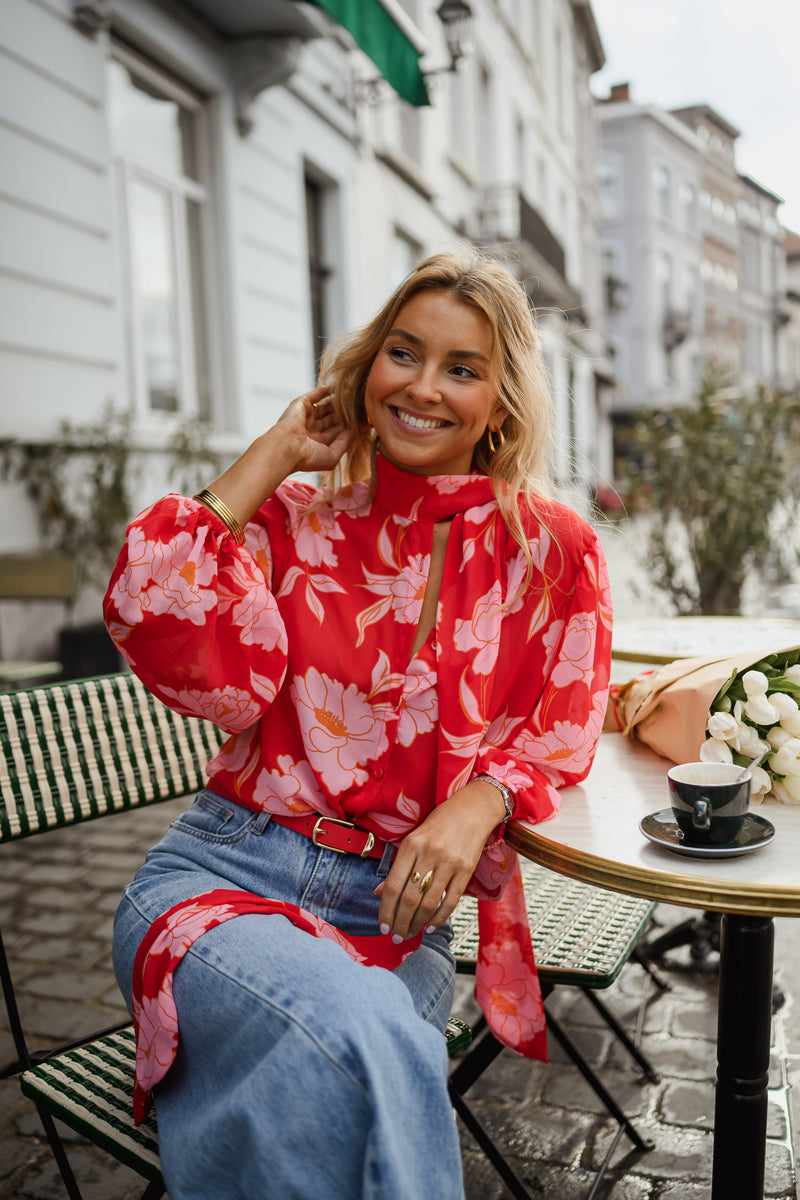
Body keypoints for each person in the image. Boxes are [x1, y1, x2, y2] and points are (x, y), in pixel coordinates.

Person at [104, 251, 612, 1200]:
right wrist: (275, 452)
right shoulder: (291, 522)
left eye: (462, 368)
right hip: (222, 880)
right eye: (403, 354)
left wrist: (482, 798)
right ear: (367, 367)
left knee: (348, 1056)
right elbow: (149, 601)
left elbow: (565, 724)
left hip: (392, 916)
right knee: (371, 1040)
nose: (424, 388)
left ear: (501, 401)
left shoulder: (551, 551)